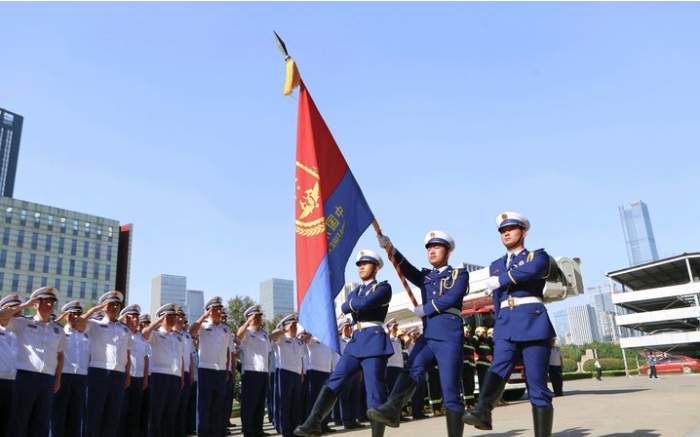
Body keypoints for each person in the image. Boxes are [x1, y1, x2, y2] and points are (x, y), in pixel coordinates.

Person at [463, 212, 555, 437]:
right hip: (506, 323)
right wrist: (499, 320)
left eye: (511, 229)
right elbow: (497, 298)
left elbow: (532, 271)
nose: (505, 233)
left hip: (532, 321)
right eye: (502, 230)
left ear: (523, 232)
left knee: (537, 387)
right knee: (498, 367)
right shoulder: (496, 264)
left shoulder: (537, 256)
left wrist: (502, 280)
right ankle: (483, 411)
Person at [369, 231, 469, 437]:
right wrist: (390, 248)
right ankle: (391, 409)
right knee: (412, 369)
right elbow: (405, 268)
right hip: (429, 335)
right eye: (429, 248)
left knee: (450, 391)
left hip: (449, 335)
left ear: (447, 250)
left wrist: (427, 308)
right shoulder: (426, 276)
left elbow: (453, 297)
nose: (431, 251)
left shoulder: (458, 273)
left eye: (436, 247)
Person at [296, 249, 393, 437]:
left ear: (376, 267)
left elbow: (360, 305)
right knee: (335, 379)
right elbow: (347, 306)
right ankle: (313, 422)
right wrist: (353, 303)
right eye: (359, 265)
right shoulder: (357, 290)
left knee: (375, 393)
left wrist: (353, 304)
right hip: (356, 342)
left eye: (366, 263)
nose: (361, 267)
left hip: (374, 341)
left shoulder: (383, 287)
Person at [0, 287, 65, 437]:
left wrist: (58, 379)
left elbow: (60, 355)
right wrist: (24, 305)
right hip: (26, 377)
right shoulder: (22, 323)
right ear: (36, 304)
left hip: (47, 379)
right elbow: (1, 317)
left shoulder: (58, 329)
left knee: (41, 423)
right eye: (45, 301)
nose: (49, 305)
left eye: (52, 302)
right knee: (19, 421)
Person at [79, 290, 132, 437]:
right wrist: (94, 310)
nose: (114, 307)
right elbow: (78, 325)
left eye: (117, 305)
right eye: (110, 304)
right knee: (94, 414)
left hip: (118, 375)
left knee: (112, 416)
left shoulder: (125, 329)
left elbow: (127, 353)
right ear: (103, 306)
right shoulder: (94, 324)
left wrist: (127, 375)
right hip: (98, 372)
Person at [190, 296, 230, 437]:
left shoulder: (226, 329)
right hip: (206, 370)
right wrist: (204, 316)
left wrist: (226, 368)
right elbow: (192, 331)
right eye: (215, 309)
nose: (218, 311)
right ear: (208, 311)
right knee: (204, 406)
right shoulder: (203, 326)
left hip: (220, 370)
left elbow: (227, 350)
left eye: (220, 309)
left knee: (218, 406)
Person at [143, 303, 184, 437]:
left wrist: (181, 377)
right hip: (159, 376)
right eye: (170, 316)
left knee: (171, 413)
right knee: (157, 413)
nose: (174, 319)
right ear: (162, 318)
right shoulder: (155, 334)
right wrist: (159, 321)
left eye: (174, 316)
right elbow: (144, 333)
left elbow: (180, 358)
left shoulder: (178, 336)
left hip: (175, 377)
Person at [52, 300, 90, 437]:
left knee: (75, 417)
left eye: (78, 314)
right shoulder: (59, 332)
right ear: (66, 315)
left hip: (81, 378)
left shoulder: (87, 335)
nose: (75, 317)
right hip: (63, 376)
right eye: (72, 314)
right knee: (58, 415)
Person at [237, 304, 273, 437]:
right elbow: (238, 334)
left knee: (259, 403)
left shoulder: (264, 333)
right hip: (250, 372)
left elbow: (268, 352)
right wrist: (247, 322)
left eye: (259, 316)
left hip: (263, 372)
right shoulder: (246, 332)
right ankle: (248, 431)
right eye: (256, 317)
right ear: (249, 318)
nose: (259, 319)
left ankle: (258, 430)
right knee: (249, 404)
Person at [118, 304, 151, 437]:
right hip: (125, 377)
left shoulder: (141, 337)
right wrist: (122, 319)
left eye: (138, 316)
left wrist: (145, 379)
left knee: (135, 412)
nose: (137, 319)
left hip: (138, 378)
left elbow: (146, 359)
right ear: (126, 318)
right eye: (133, 316)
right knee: (122, 412)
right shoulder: (121, 332)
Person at [272, 314, 305, 437]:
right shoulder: (281, 338)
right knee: (284, 404)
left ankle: (295, 429)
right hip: (284, 373)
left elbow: (301, 358)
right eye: (292, 325)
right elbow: (271, 337)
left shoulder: (299, 342)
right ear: (285, 327)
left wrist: (301, 373)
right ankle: (285, 431)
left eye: (296, 325)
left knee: (296, 404)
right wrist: (282, 330)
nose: (295, 328)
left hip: (296, 374)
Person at [301, 329, 335, 434]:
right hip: (315, 371)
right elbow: (304, 339)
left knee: (325, 400)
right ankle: (311, 425)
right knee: (314, 400)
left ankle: (324, 425)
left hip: (327, 371)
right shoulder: (313, 338)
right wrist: (312, 330)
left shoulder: (328, 340)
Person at [0, 293, 20, 437]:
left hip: (16, 384)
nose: (16, 312)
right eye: (12, 309)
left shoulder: (22, 332)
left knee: (10, 424)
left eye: (18, 310)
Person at [174, 307, 195, 437]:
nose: (181, 319)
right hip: (175, 374)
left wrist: (192, 374)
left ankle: (182, 431)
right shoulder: (172, 333)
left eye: (183, 316)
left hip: (187, 373)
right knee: (174, 406)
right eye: (179, 316)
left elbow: (191, 356)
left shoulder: (187, 335)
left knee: (184, 405)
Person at [138, 314, 153, 437]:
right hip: (139, 377)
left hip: (149, 377)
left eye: (148, 323)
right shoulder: (138, 338)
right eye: (144, 323)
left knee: (146, 409)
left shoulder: (148, 340)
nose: (146, 326)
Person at [385, 319, 404, 397]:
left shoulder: (398, 339)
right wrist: (388, 332)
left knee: (399, 389)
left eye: (396, 326)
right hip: (391, 367)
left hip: (400, 366)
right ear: (389, 328)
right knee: (392, 389)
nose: (396, 328)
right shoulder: (388, 339)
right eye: (394, 326)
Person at [462, 325, 477, 410]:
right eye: (466, 332)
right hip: (464, 366)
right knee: (465, 386)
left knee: (471, 385)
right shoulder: (461, 340)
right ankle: (467, 404)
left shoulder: (470, 341)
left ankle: (471, 403)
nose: (468, 333)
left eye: (468, 332)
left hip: (470, 366)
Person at [474, 326, 492, 396]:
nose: (485, 334)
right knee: (482, 383)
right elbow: (474, 345)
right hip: (481, 366)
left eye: (485, 332)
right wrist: (477, 335)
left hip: (488, 365)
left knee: (488, 383)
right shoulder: (477, 341)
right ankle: (482, 398)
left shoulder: (486, 342)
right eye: (483, 332)